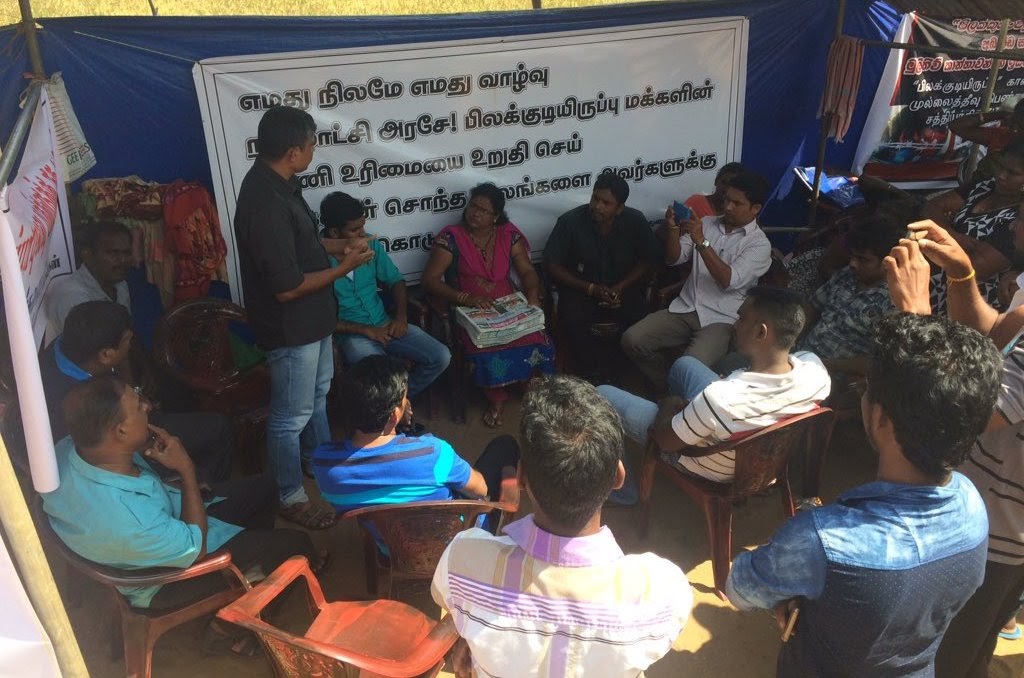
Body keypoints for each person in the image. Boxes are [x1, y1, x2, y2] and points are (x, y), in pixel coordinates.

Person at [726, 312, 997, 677]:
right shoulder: (973, 506)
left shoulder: (821, 540)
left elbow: (740, 587)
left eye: (866, 389)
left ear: (880, 418)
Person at [431, 375, 692, 677]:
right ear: (618, 477)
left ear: (521, 477)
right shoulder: (662, 590)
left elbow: (445, 599)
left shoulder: (463, 558)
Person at [41, 375, 321, 617]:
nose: (147, 406)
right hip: (166, 579)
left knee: (265, 488)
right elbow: (197, 549)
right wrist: (185, 469)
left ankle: (251, 573)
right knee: (298, 546)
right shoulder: (130, 520)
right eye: (138, 406)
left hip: (165, 525)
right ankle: (228, 631)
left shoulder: (66, 452)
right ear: (121, 431)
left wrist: (162, 470)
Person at [885, 218, 1024, 678]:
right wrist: (962, 275)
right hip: (983, 507)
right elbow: (993, 337)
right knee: (970, 652)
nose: (1015, 221)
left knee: (945, 656)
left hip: (996, 532)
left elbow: (957, 414)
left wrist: (916, 320)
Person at [233, 105, 372, 529]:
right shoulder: (264, 203)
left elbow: (304, 246)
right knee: (289, 417)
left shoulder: (282, 185)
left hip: (313, 321)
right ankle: (288, 495)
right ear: (294, 152)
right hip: (290, 327)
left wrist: (341, 248)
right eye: (312, 144)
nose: (314, 150)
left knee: (316, 396)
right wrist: (345, 268)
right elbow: (287, 287)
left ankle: (319, 460)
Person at [599, 286, 830, 484]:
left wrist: (669, 406)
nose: (735, 325)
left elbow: (665, 441)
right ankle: (689, 421)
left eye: (741, 319)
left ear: (761, 331)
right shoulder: (815, 370)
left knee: (602, 394)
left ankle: (623, 492)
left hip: (710, 465)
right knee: (685, 365)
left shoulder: (721, 397)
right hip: (762, 456)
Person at [38, 300, 234, 483]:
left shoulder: (69, 346)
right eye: (127, 340)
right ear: (106, 355)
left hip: (132, 420)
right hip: (122, 454)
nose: (131, 345)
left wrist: (134, 394)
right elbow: (97, 457)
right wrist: (142, 443)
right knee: (218, 430)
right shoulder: (65, 401)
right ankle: (205, 495)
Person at [622, 171, 772, 390]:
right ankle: (667, 387)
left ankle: (679, 393)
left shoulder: (759, 244)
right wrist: (673, 229)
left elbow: (728, 280)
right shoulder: (707, 223)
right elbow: (673, 259)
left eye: (737, 203)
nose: (728, 207)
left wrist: (701, 242)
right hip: (686, 307)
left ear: (755, 208)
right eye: (726, 200)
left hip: (722, 319)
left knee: (688, 367)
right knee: (632, 340)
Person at [422, 182, 555, 428]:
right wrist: (465, 298)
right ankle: (497, 399)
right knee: (488, 345)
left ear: (495, 216)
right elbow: (429, 280)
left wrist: (533, 296)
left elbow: (527, 271)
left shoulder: (509, 235)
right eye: (473, 206)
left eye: (483, 210)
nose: (475, 213)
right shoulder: (451, 238)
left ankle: (530, 386)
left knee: (536, 337)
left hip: (508, 302)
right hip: (469, 306)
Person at [312, 355, 518, 512]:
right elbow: (480, 489)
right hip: (453, 540)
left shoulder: (323, 463)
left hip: (389, 545)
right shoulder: (434, 452)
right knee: (505, 444)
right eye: (405, 398)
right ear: (394, 415)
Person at [320, 191, 450, 398]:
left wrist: (401, 317)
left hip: (386, 324)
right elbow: (319, 319)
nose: (363, 233)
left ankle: (398, 404)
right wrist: (366, 331)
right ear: (334, 233)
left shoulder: (370, 245)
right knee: (382, 375)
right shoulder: (317, 259)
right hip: (353, 336)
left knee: (441, 356)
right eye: (355, 230)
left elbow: (396, 281)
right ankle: (392, 408)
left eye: (362, 226)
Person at [543, 172, 657, 380]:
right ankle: (592, 375)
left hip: (623, 289)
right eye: (595, 198)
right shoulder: (570, 221)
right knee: (572, 319)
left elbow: (647, 259)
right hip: (581, 289)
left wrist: (621, 287)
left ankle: (623, 372)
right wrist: (591, 289)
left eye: (606, 203)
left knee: (640, 318)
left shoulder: (635, 221)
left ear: (619, 208)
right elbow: (552, 264)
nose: (597, 206)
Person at [920, 139, 1024, 312]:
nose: (1001, 175)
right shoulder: (985, 187)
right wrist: (957, 238)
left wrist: (940, 230)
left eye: (1012, 173)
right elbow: (931, 208)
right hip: (930, 278)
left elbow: (977, 268)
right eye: (1000, 167)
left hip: (964, 301)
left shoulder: (1017, 219)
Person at [796, 217, 902, 377]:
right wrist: (787, 339)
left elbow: (880, 362)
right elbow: (812, 307)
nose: (852, 263)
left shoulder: (895, 302)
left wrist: (822, 364)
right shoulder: (845, 275)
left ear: (888, 262)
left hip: (837, 380)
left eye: (862, 259)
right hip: (799, 361)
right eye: (852, 256)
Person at [44, 220, 132, 344]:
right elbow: (92, 351)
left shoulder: (120, 284)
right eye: (112, 253)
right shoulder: (72, 298)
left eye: (126, 253)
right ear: (88, 255)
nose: (122, 260)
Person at [680, 161, 746, 221]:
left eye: (732, 185)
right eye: (724, 182)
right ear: (716, 181)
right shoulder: (696, 202)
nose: (726, 189)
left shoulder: (739, 212)